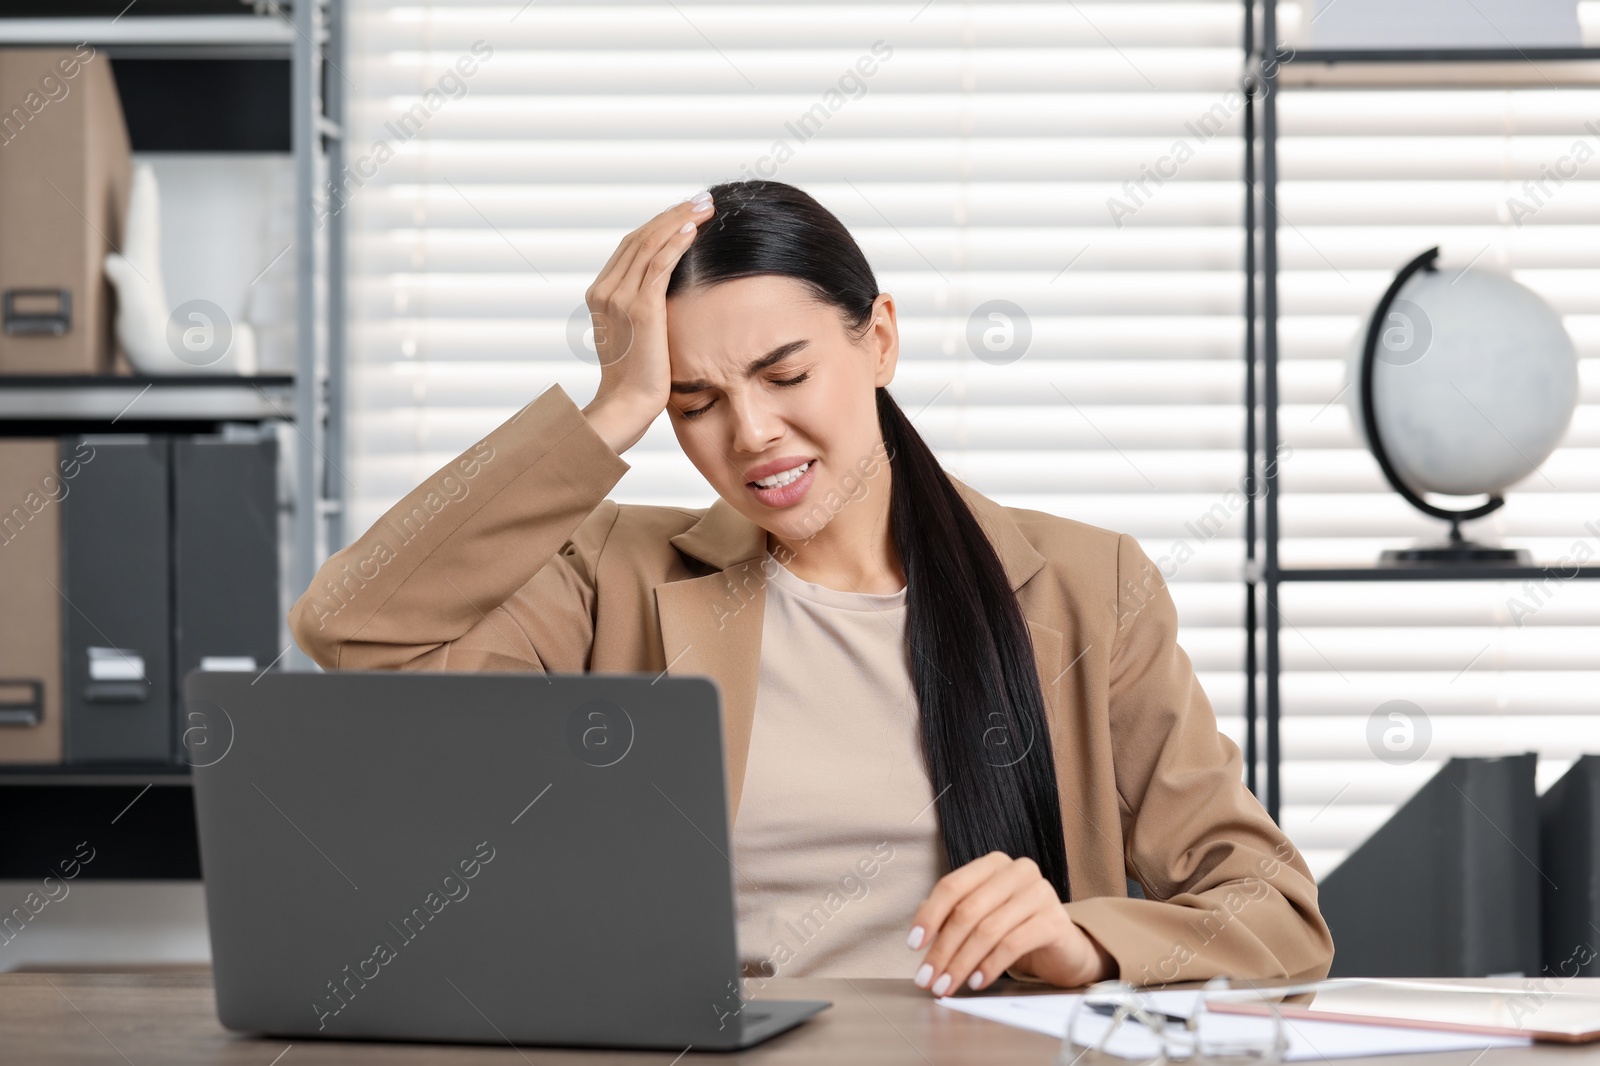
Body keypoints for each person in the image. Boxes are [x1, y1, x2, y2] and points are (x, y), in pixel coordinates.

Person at [288, 179, 1333, 997]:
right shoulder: (612, 574)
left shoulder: (1084, 588)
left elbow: (1272, 910)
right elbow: (352, 625)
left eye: (785, 376)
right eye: (693, 401)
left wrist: (1085, 941)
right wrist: (611, 409)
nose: (750, 435)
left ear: (876, 338)